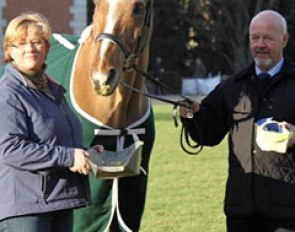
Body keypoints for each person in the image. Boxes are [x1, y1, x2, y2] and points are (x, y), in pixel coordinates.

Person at [179, 10, 295, 232]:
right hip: (241, 210)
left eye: (268, 38)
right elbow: (208, 134)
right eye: (255, 38)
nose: (260, 44)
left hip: (287, 212)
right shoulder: (232, 86)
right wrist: (191, 114)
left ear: (285, 40)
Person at [0, 12, 103, 232]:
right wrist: (68, 157)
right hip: (26, 210)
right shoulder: (8, 93)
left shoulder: (51, 90)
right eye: (21, 43)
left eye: (37, 42)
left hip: (59, 200)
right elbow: (9, 149)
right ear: (9, 51)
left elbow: (53, 138)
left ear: (47, 48)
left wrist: (85, 153)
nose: (30, 49)